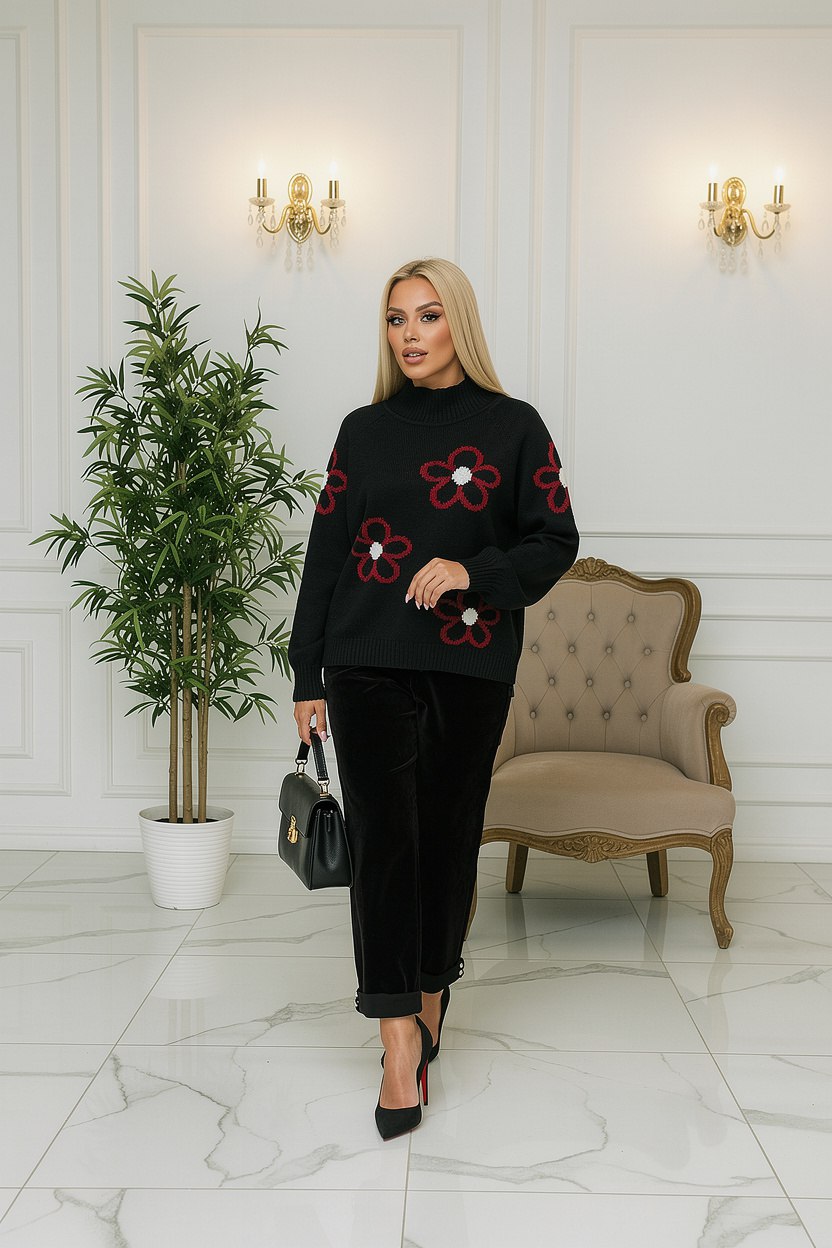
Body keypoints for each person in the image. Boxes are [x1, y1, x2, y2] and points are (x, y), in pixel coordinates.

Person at [289, 257, 579, 1140]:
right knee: (383, 847)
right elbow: (328, 553)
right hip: (365, 662)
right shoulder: (363, 431)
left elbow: (554, 539)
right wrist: (307, 673)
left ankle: (430, 995)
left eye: (426, 316)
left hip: (469, 665)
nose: (410, 335)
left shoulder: (514, 427)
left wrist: (470, 571)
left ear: (459, 323)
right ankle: (397, 1046)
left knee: (446, 845)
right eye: (395, 319)